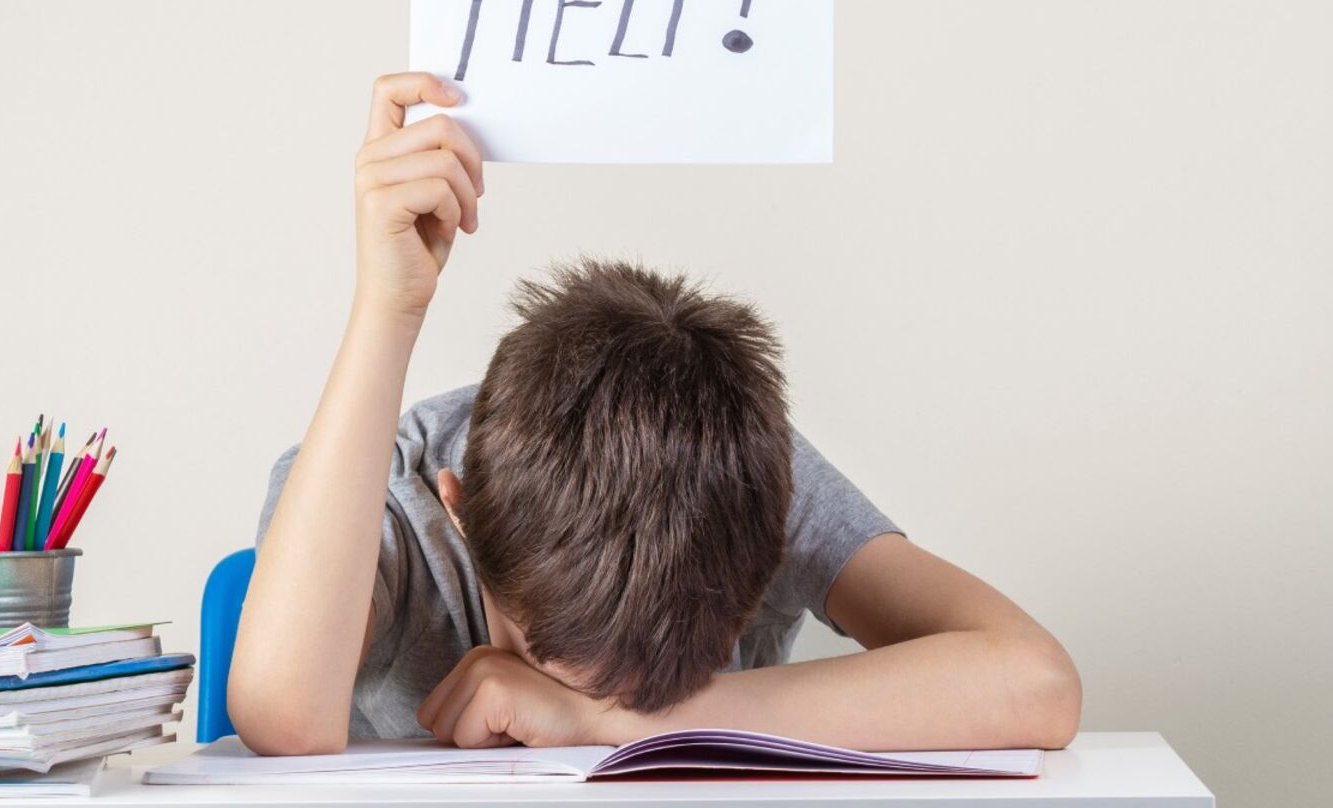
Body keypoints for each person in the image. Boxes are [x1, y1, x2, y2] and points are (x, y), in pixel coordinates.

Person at [228, 73, 1080, 755]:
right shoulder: (373, 492)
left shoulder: (739, 470)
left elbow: (1035, 682)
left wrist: (607, 722)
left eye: (662, 685)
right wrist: (390, 306)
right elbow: (281, 715)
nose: (611, 699)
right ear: (460, 510)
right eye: (559, 666)